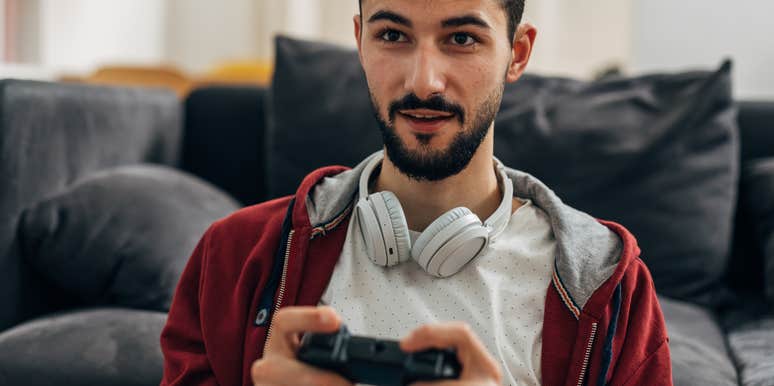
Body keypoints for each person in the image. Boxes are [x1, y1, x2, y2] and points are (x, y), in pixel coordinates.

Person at [160, 0, 673, 385]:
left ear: (517, 54)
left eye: (462, 39)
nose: (424, 82)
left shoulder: (613, 289)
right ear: (360, 42)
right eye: (392, 35)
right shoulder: (233, 256)